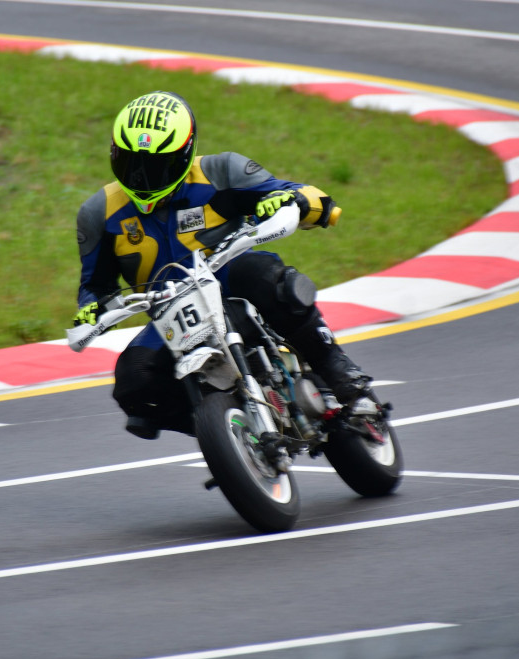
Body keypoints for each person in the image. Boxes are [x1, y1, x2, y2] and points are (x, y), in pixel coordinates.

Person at [74, 91, 371, 440]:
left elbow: (295, 193)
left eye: (156, 167)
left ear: (185, 153)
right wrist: (91, 308)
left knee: (263, 275)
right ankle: (227, 434)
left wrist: (297, 202)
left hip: (232, 280)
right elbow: (95, 285)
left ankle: (336, 369)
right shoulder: (98, 213)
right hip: (173, 315)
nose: (142, 178)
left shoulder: (221, 171)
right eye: (130, 163)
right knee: (133, 381)